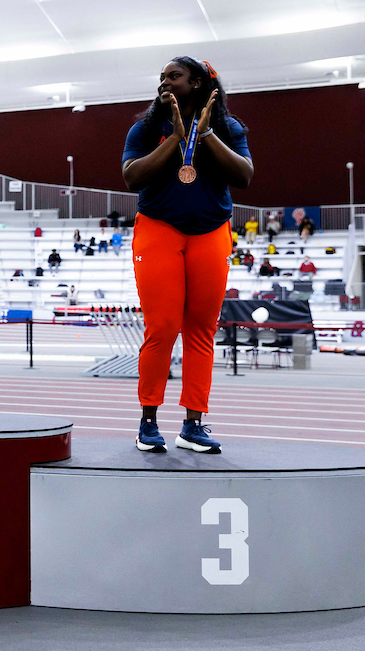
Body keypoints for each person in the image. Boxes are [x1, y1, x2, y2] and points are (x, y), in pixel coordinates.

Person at [122, 56, 253, 455]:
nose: (164, 82)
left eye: (173, 76)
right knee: (161, 327)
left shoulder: (229, 127)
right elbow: (131, 177)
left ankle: (193, 424)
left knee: (201, 329)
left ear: (196, 83)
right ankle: (148, 422)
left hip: (211, 231)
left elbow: (244, 176)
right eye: (161, 77)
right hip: (159, 230)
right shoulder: (145, 128)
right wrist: (178, 137)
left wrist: (207, 134)